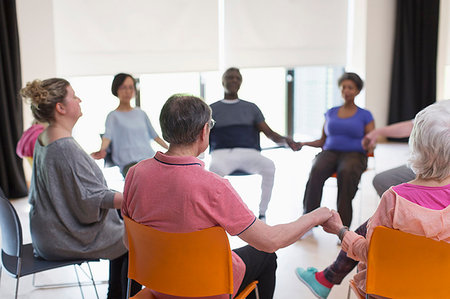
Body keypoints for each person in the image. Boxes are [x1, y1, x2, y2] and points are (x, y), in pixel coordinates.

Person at [122, 94, 333, 299]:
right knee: (266, 255)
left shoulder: (135, 174)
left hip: (159, 285)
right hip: (207, 290)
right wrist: (316, 216)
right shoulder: (213, 186)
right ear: (204, 131)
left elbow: (128, 242)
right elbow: (270, 240)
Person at [296, 99, 450, 299]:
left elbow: (371, 254)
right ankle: (326, 278)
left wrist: (340, 230)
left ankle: (327, 277)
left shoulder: (394, 198)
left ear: (416, 144)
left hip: (389, 290)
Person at [21, 78, 141, 299]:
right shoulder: (65, 148)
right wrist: (138, 199)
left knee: (124, 222)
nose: (80, 100)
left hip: (47, 231)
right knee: (137, 237)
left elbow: (77, 192)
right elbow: (89, 199)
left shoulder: (44, 137)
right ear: (61, 108)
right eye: (74, 96)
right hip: (61, 237)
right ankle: (124, 296)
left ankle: (115, 293)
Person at [208, 67, 299, 220]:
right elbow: (203, 135)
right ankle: (216, 216)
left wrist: (285, 140)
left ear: (241, 82)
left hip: (249, 154)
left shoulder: (251, 108)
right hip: (222, 155)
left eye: (237, 78)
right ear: (223, 81)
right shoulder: (212, 109)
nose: (234, 80)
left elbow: (270, 134)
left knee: (269, 166)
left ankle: (262, 214)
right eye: (230, 77)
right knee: (213, 170)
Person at [297, 72, 375, 228]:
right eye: (344, 87)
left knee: (346, 172)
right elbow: (322, 140)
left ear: (358, 91)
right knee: (316, 169)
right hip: (330, 153)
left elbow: (372, 141)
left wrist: (370, 144)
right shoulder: (331, 112)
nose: (346, 91)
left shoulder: (365, 115)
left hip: (354, 154)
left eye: (350, 88)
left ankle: (343, 227)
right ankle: (308, 222)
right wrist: (303, 143)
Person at [91, 73, 168, 177]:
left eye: (131, 87)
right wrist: (102, 150)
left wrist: (172, 150)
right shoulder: (113, 116)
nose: (127, 91)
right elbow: (107, 137)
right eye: (124, 87)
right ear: (116, 89)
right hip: (129, 165)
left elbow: (155, 136)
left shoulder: (141, 113)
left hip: (149, 160)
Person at [362, 119, 415, 196]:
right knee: (381, 180)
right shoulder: (432, 113)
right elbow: (412, 126)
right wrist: (375, 133)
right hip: (420, 166)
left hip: (431, 170)